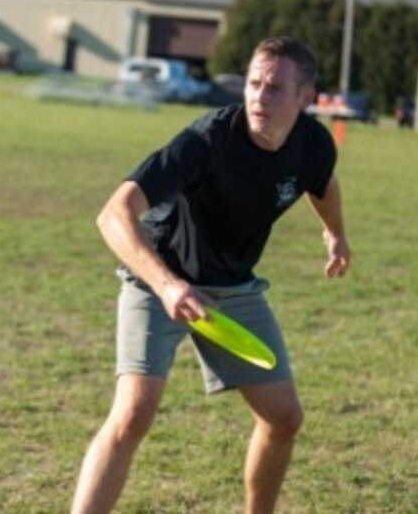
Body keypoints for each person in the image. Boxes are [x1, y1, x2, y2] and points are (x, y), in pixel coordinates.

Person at [71, 37, 352, 514]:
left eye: (275, 88)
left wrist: (336, 234)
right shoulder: (207, 141)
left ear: (306, 98)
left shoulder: (313, 144)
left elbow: (321, 183)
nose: (260, 98)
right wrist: (166, 285)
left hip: (232, 286)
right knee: (133, 414)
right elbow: (113, 214)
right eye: (254, 84)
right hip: (158, 276)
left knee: (284, 419)